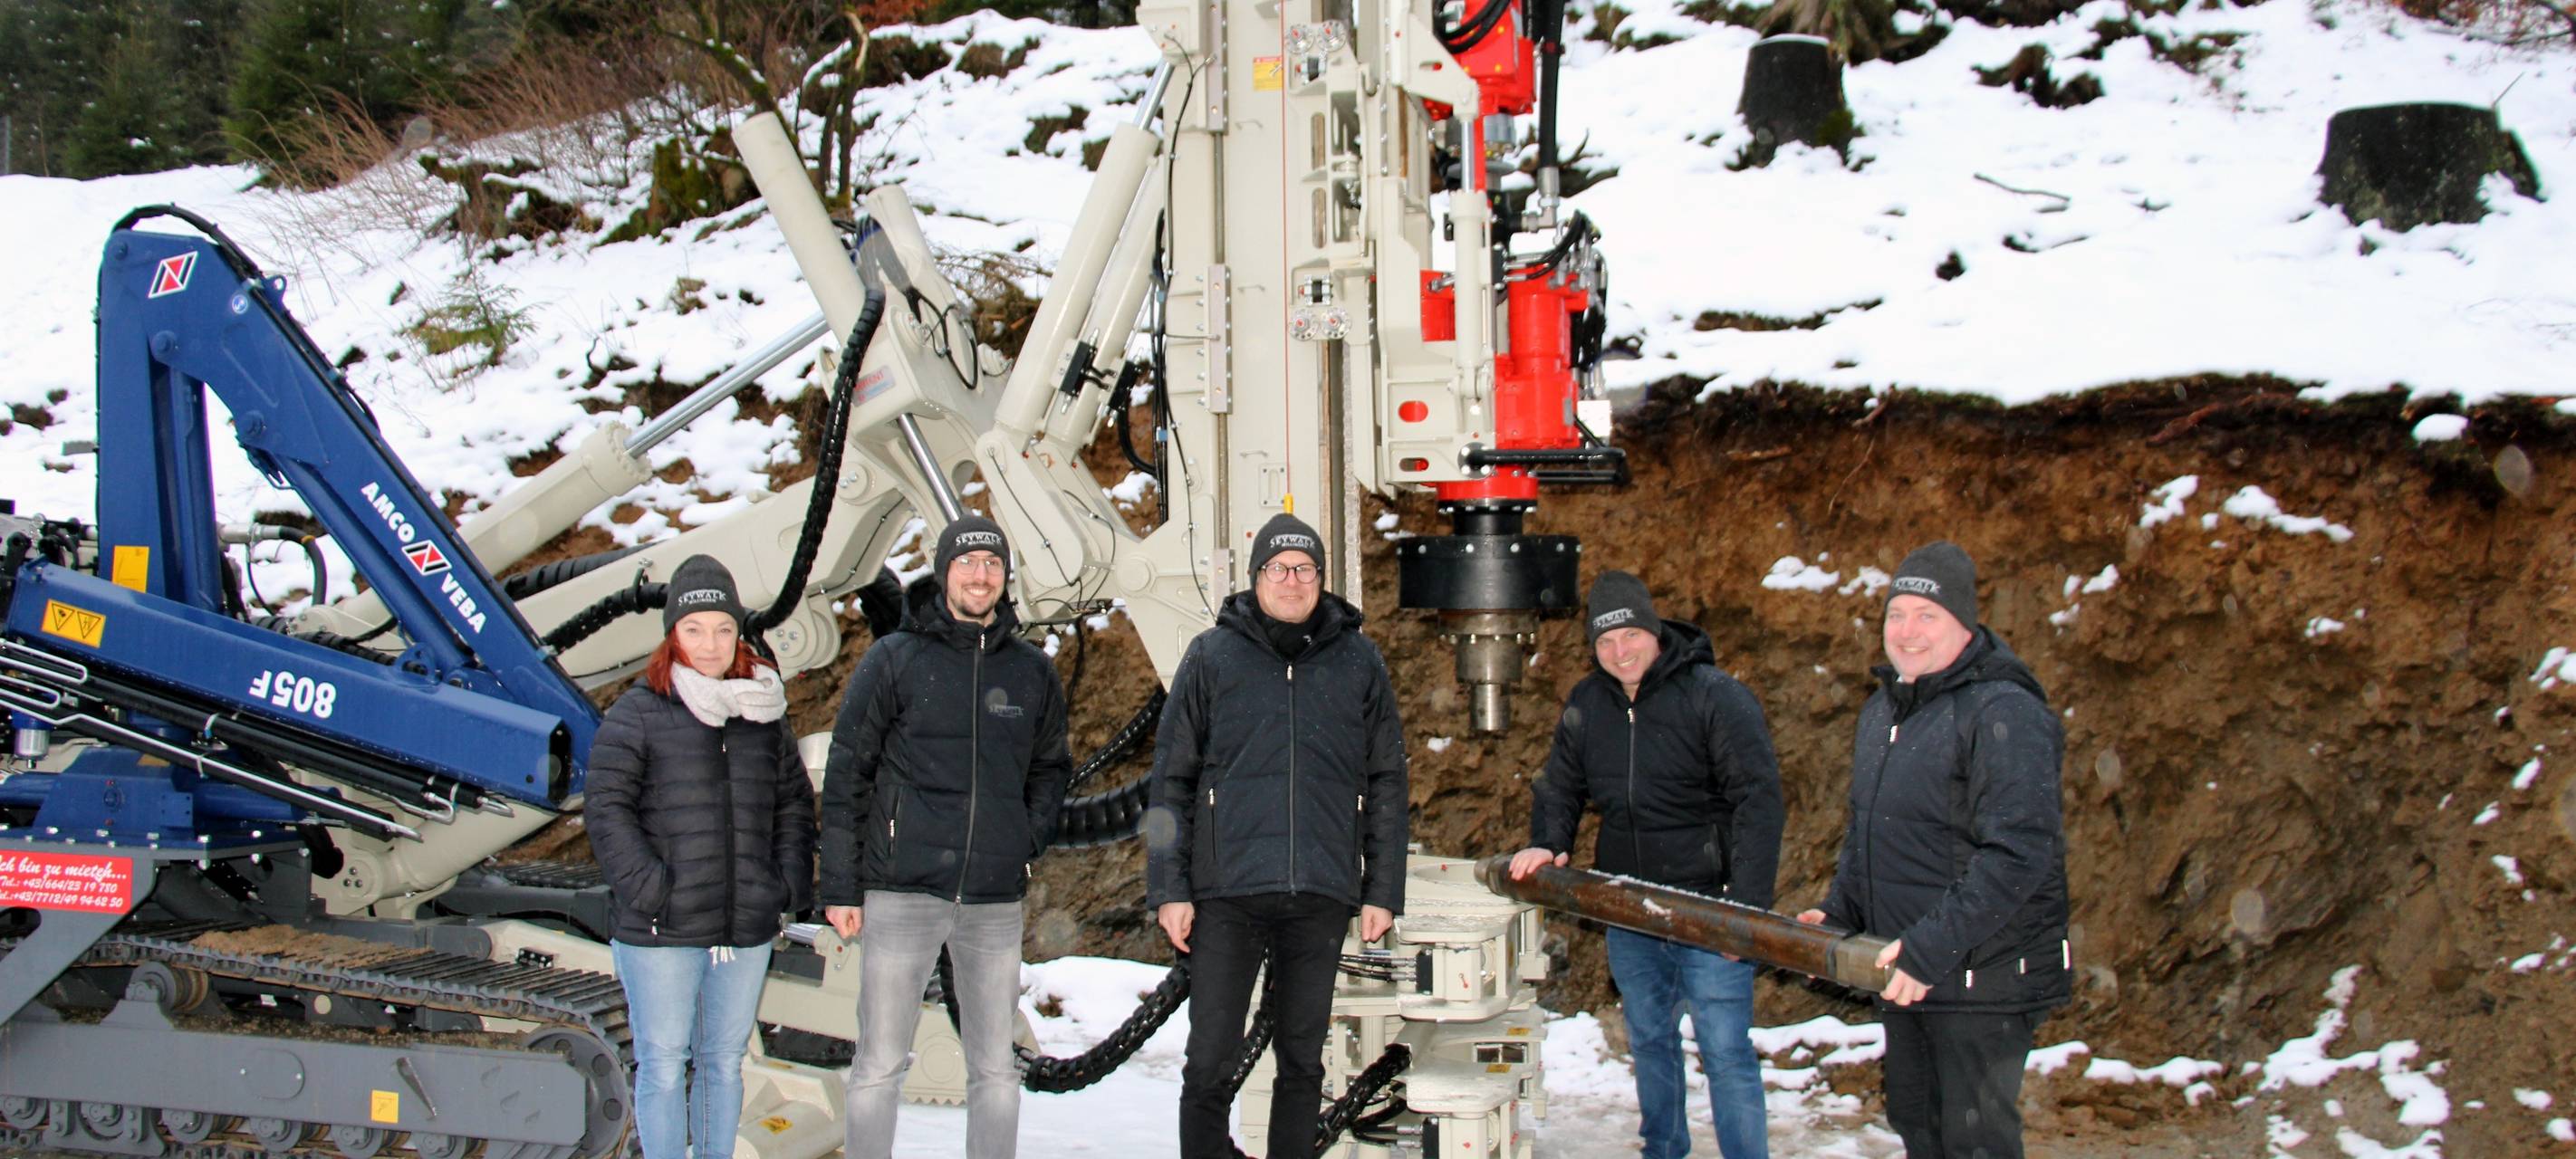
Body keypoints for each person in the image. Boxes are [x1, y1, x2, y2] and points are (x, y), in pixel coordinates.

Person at [1144, 513, 1409, 1159]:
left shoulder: (1358, 660)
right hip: (1226, 894)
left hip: (1318, 892)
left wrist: (1383, 890)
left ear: (1321, 577)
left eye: (1305, 568)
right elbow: (1170, 783)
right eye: (1279, 568)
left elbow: (1387, 781)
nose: (1292, 580)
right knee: (1208, 1064)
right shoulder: (1212, 656)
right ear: (1257, 576)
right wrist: (1168, 889)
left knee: (1302, 1064)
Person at [1796, 541, 2071, 1159]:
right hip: (1908, 972)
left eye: (1928, 616)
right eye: (1897, 614)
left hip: (1982, 975)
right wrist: (1843, 910)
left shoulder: (2005, 711)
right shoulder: (1884, 709)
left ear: (1965, 625)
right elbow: (1872, 831)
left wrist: (1929, 949)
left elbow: (2020, 853)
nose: (1907, 631)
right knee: (1918, 1126)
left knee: (1974, 1142)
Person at [1507, 570, 1784, 1159]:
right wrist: (1547, 841)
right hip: (1628, 908)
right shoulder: (1589, 702)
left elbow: (1758, 797)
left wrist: (1749, 909)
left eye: (1629, 635)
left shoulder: (1712, 695)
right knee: (1651, 1041)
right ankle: (1663, 1148)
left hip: (1710, 908)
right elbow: (1560, 785)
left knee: (1725, 1050)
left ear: (1654, 631)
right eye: (1605, 642)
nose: (1619, 651)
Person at [818, 515, 1072, 1159]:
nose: (980, 575)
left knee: (996, 1069)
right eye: (968, 562)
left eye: (992, 564)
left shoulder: (1030, 671)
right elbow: (850, 771)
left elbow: (1051, 769)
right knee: (878, 1063)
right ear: (944, 570)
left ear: (1005, 577)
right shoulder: (895, 659)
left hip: (992, 899)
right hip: (903, 892)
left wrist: (1024, 837)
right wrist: (841, 884)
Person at [587, 554, 816, 1159]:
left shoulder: (763, 713)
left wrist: (786, 883)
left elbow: (793, 803)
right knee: (663, 1065)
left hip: (744, 925)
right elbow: (607, 809)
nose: (710, 643)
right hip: (662, 928)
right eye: (694, 629)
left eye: (722, 628)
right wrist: (651, 889)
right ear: (672, 635)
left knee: (722, 1063)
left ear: (739, 633)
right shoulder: (638, 713)